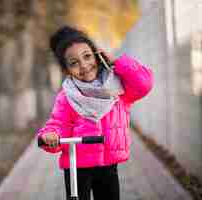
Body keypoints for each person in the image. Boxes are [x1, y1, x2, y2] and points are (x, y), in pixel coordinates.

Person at [37, 26, 153, 200]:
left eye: (87, 56)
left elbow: (143, 85)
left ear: (97, 55)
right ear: (66, 70)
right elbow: (58, 123)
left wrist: (117, 62)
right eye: (74, 63)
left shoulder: (116, 87)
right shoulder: (68, 96)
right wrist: (51, 135)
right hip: (77, 166)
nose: (84, 66)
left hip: (108, 164)